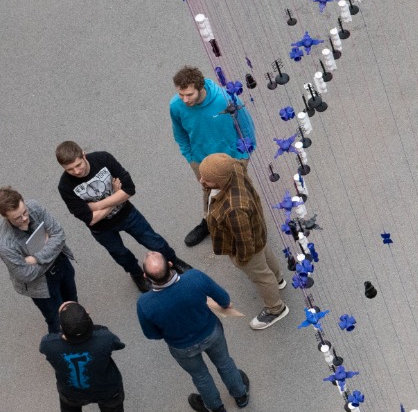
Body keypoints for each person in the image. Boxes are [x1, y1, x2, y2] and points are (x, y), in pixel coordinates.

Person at [135, 251, 251, 412]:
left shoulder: (144, 304)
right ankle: (240, 395)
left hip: (182, 347)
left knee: (200, 376)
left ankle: (216, 408)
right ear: (169, 265)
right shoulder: (194, 278)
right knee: (225, 363)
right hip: (211, 333)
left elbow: (152, 334)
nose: (148, 251)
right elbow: (224, 299)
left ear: (145, 276)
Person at [55, 141, 181, 293]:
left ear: (83, 154)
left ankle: (173, 260)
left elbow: (129, 189)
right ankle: (137, 274)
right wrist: (115, 196)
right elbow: (90, 219)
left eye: (78, 165)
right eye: (69, 169)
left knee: (154, 240)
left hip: (127, 214)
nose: (76, 171)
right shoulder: (65, 186)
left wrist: (95, 206)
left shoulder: (103, 159)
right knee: (120, 255)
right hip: (101, 229)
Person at [197, 154, 288, 329]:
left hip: (246, 246)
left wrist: (241, 260)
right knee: (264, 254)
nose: (201, 181)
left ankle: (275, 309)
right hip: (257, 231)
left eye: (207, 180)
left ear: (220, 180)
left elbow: (245, 243)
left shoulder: (234, 208)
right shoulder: (234, 167)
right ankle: (277, 280)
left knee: (260, 275)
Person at [40, 301, 140, 412]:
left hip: (71, 390)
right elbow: (118, 344)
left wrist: (64, 316)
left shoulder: (49, 344)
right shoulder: (105, 338)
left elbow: (48, 344)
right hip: (107, 389)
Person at [170, 66, 255, 247]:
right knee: (209, 193)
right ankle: (208, 223)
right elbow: (180, 135)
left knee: (238, 193)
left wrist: (242, 158)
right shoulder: (176, 106)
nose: (185, 100)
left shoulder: (226, 99)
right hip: (201, 161)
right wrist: (191, 158)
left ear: (201, 88)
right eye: (181, 94)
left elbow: (246, 128)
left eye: (189, 95)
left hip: (232, 160)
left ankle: (249, 224)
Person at [0, 187, 78, 333]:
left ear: (23, 202)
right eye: (17, 218)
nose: (24, 218)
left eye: (24, 212)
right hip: (42, 285)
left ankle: (78, 329)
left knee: (73, 303)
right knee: (56, 319)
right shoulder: (5, 244)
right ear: (5, 216)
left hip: (62, 266)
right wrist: (51, 247)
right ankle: (61, 348)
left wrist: (36, 258)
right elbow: (26, 274)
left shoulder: (34, 207)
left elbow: (59, 234)